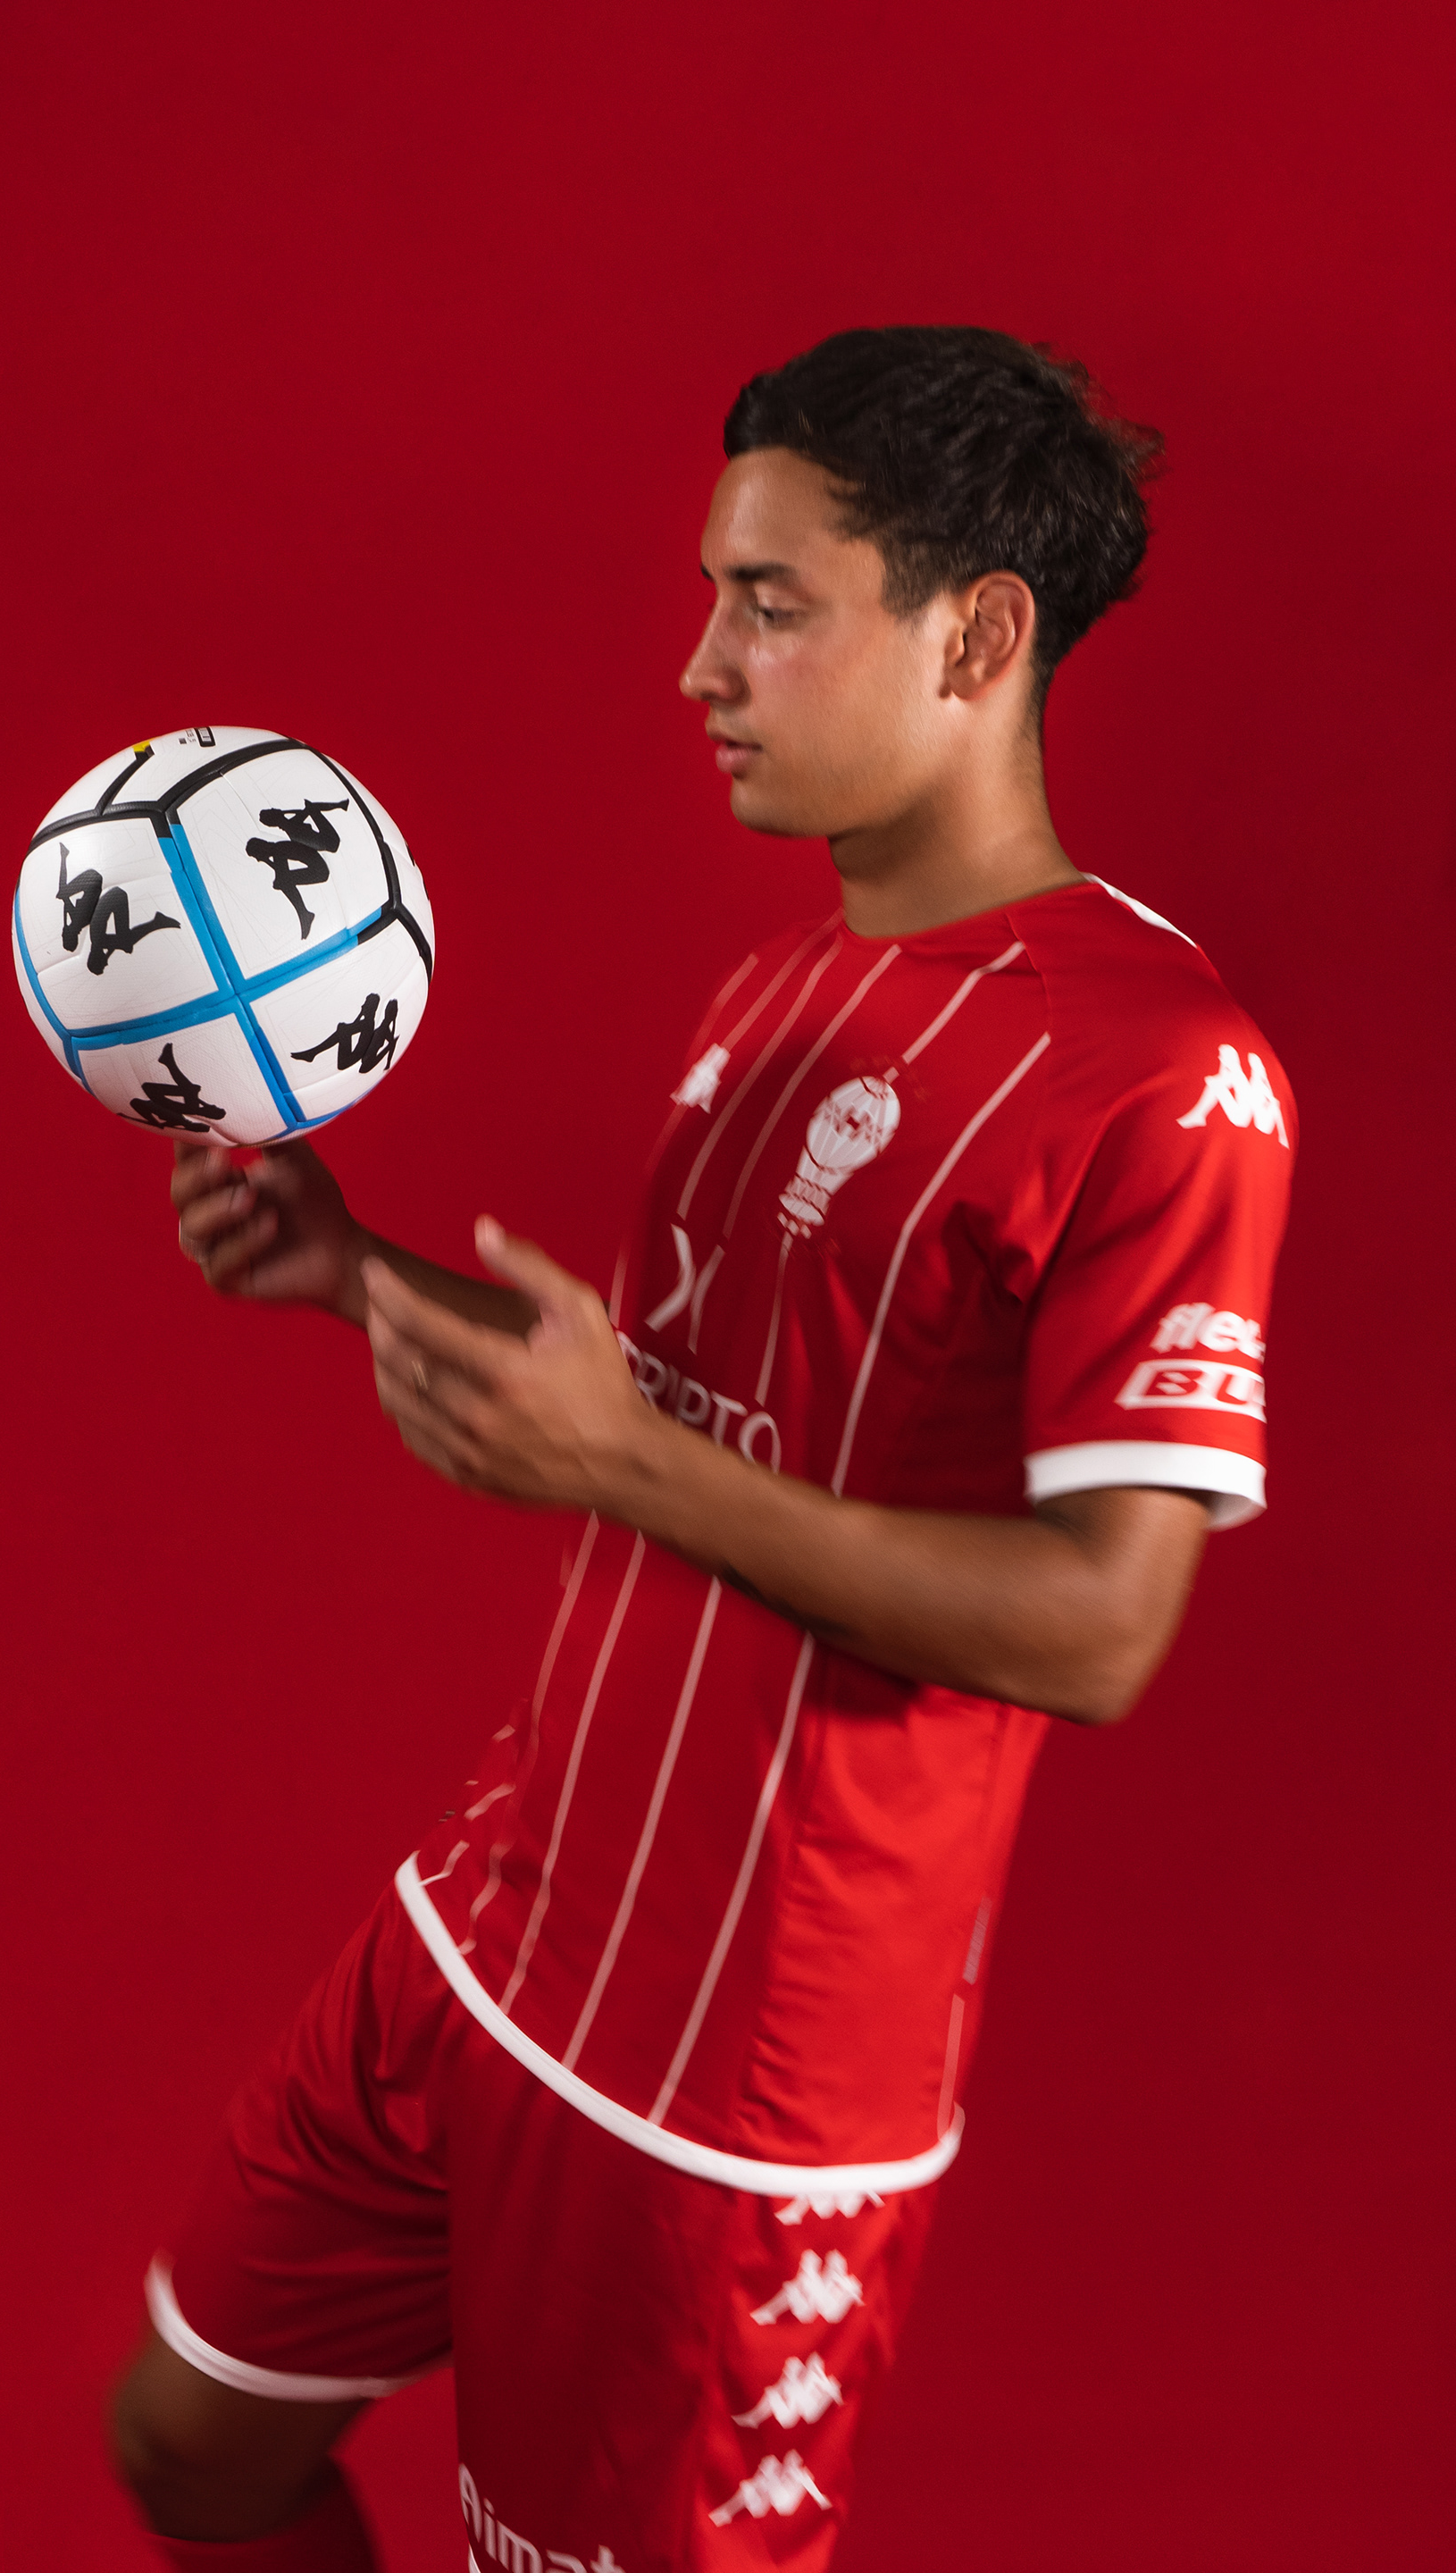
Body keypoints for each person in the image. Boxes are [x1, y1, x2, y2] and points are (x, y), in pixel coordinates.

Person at [109, 327, 1295, 2572]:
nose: (702, 667)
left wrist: (622, 1467)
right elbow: (664, 1411)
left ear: (979, 635)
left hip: (739, 2078)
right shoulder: (779, 991)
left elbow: (1104, 1627)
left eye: (770, 603)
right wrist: (353, 1271)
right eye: (711, 598)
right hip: (499, 1921)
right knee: (189, 2446)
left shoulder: (1166, 1074)